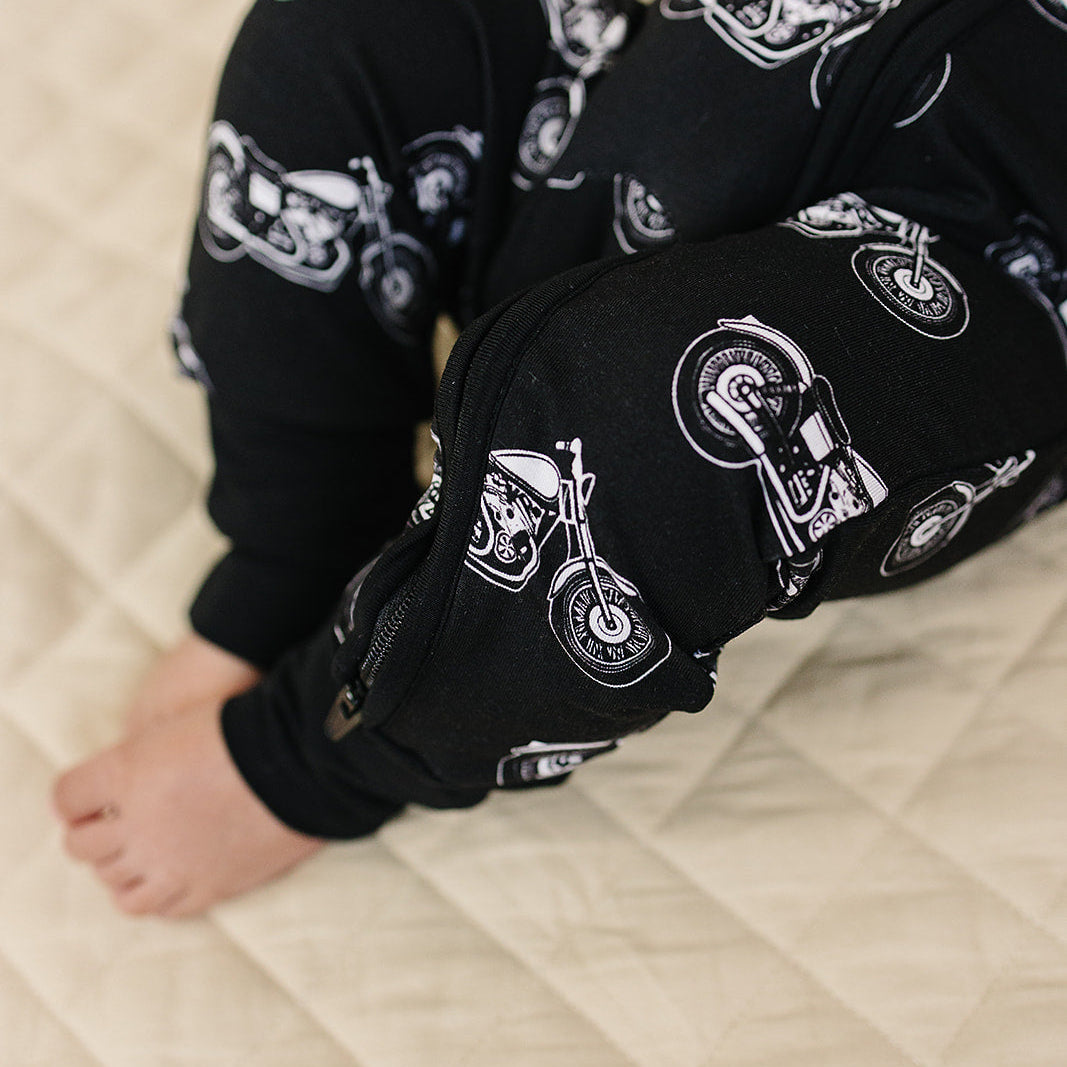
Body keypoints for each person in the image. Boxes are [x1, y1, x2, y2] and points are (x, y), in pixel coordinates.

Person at [53, 0, 1067, 917]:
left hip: (991, 247)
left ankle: (333, 740)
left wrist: (301, 765)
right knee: (337, 38)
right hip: (677, 75)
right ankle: (304, 535)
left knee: (646, 417)